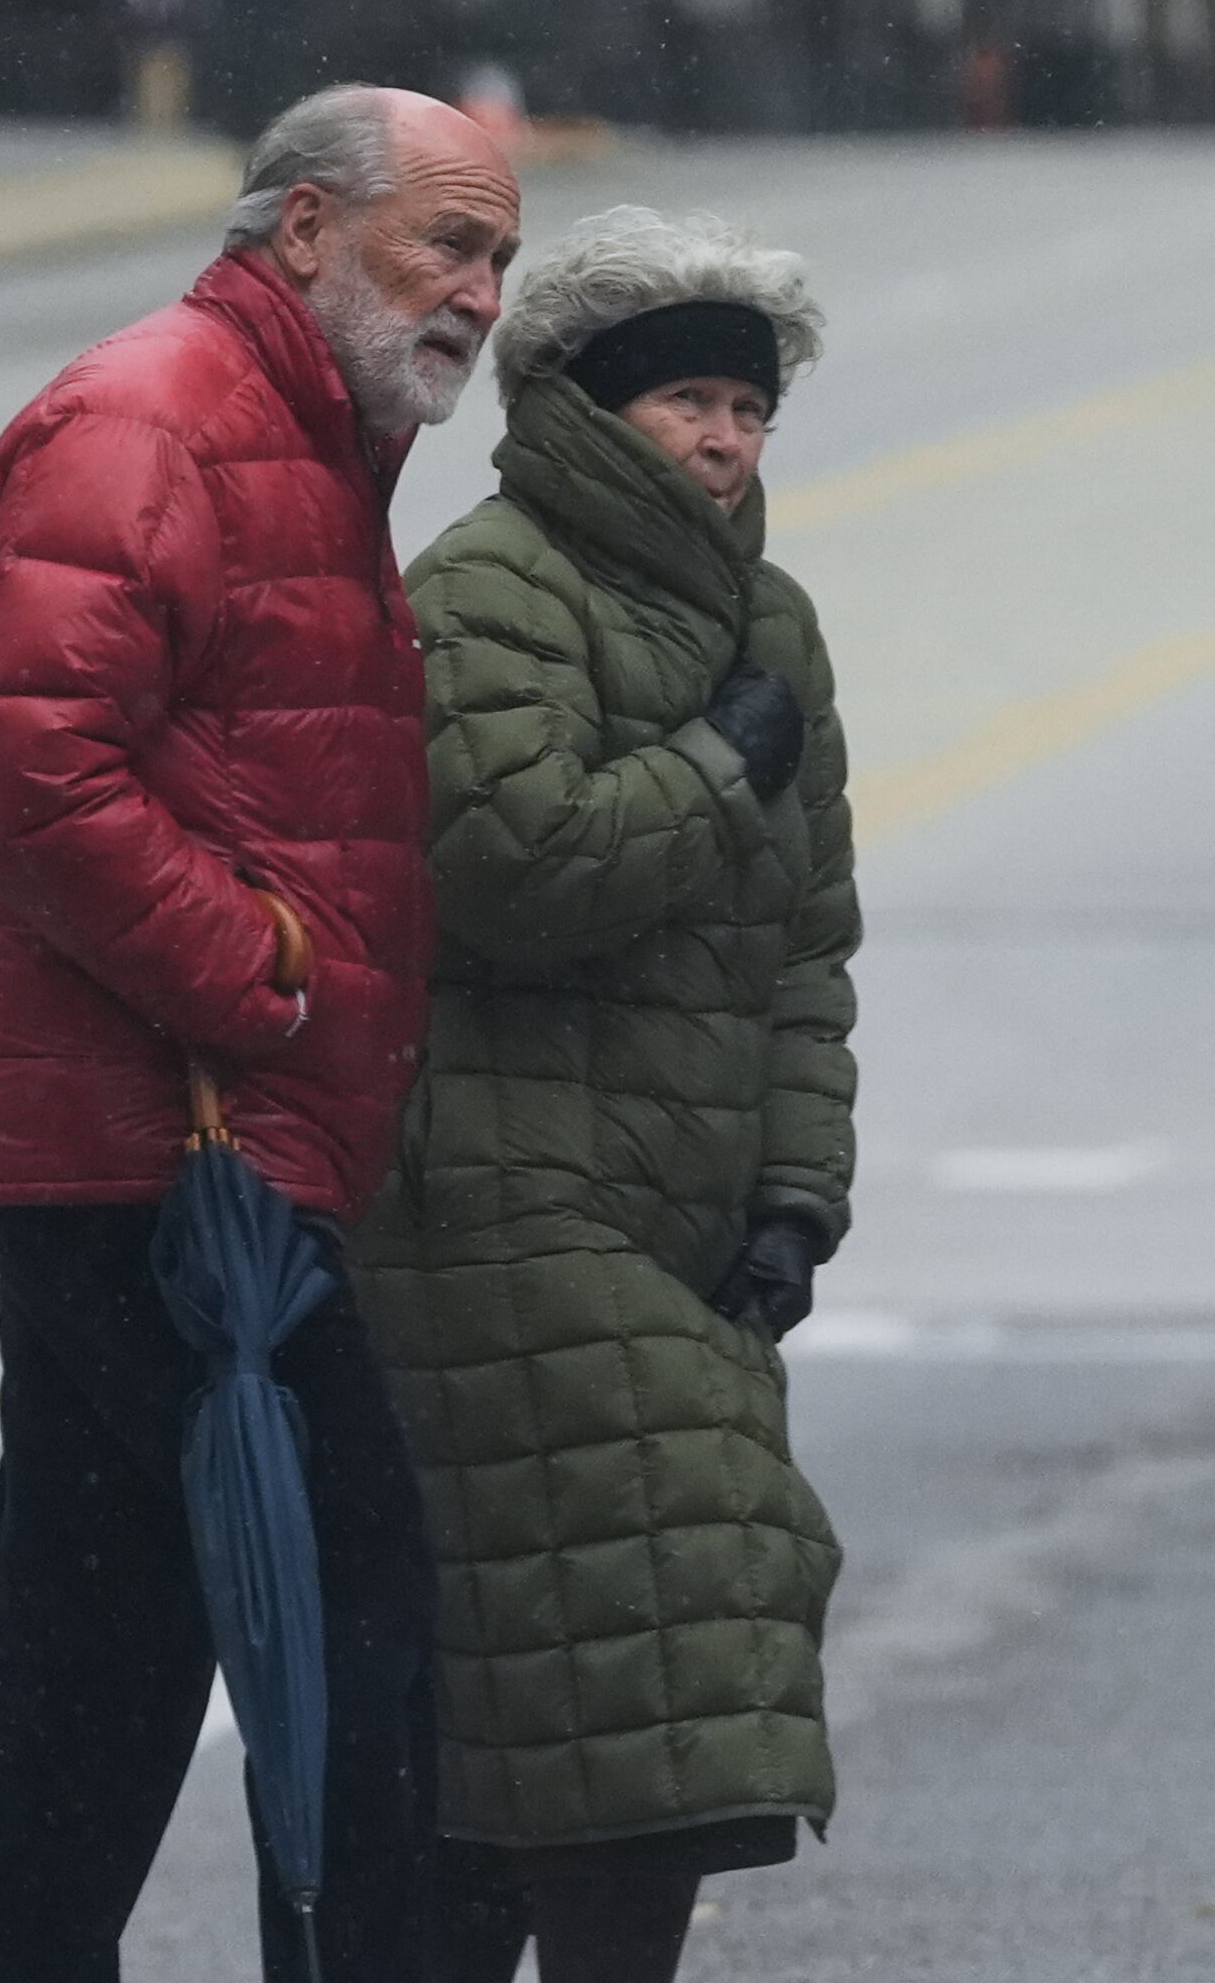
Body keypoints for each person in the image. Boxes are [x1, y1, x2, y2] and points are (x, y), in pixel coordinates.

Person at [0, 83, 521, 1983]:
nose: (482, 297)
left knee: (94, 1629)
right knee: (352, 1619)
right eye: (449, 244)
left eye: (500, 257)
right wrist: (256, 973)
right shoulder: (159, 415)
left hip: (155, 1150)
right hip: (168, 1153)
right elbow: (31, 763)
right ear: (306, 231)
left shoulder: (295, 430)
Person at [352, 207, 858, 1983]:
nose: (726, 440)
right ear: (587, 408)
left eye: (750, 405)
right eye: (688, 404)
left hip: (688, 1217)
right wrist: (721, 762)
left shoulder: (770, 621)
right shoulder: (490, 590)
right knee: (631, 1642)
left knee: (612, 1684)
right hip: (505, 1213)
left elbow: (807, 949)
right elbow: (513, 863)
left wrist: (801, 1193)